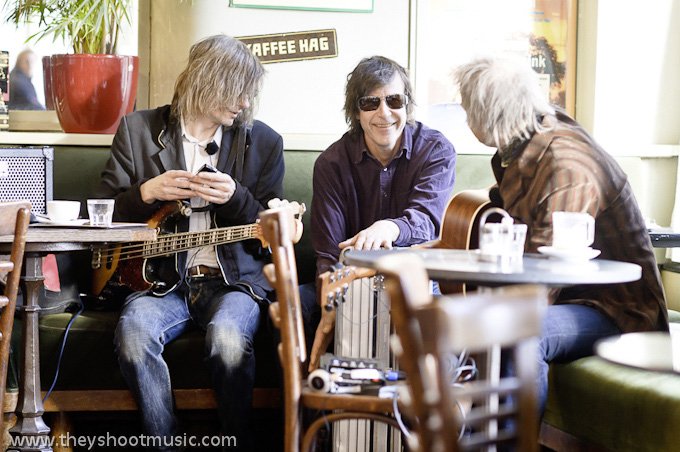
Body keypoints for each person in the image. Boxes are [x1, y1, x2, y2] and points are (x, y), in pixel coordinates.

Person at [95, 34, 284, 451]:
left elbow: (272, 235)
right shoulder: (138, 130)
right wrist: (146, 192)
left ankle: (236, 443)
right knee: (133, 335)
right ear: (206, 80)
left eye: (250, 93)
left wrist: (236, 198)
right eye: (237, 91)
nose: (245, 103)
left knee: (228, 342)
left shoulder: (264, 142)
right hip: (161, 283)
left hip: (234, 284)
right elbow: (101, 216)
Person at [454, 56, 668, 413]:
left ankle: (514, 439)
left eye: (467, 109)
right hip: (571, 297)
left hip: (615, 309)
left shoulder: (566, 165)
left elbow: (543, 279)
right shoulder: (528, 139)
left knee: (519, 331)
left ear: (488, 113)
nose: (466, 119)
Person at [311, 55, 457, 274]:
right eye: (370, 103)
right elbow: (329, 254)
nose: (384, 113)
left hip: (418, 278)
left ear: (407, 105)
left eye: (394, 100)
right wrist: (333, 292)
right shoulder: (331, 164)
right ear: (356, 112)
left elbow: (427, 220)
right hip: (353, 280)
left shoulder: (436, 150)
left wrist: (390, 228)